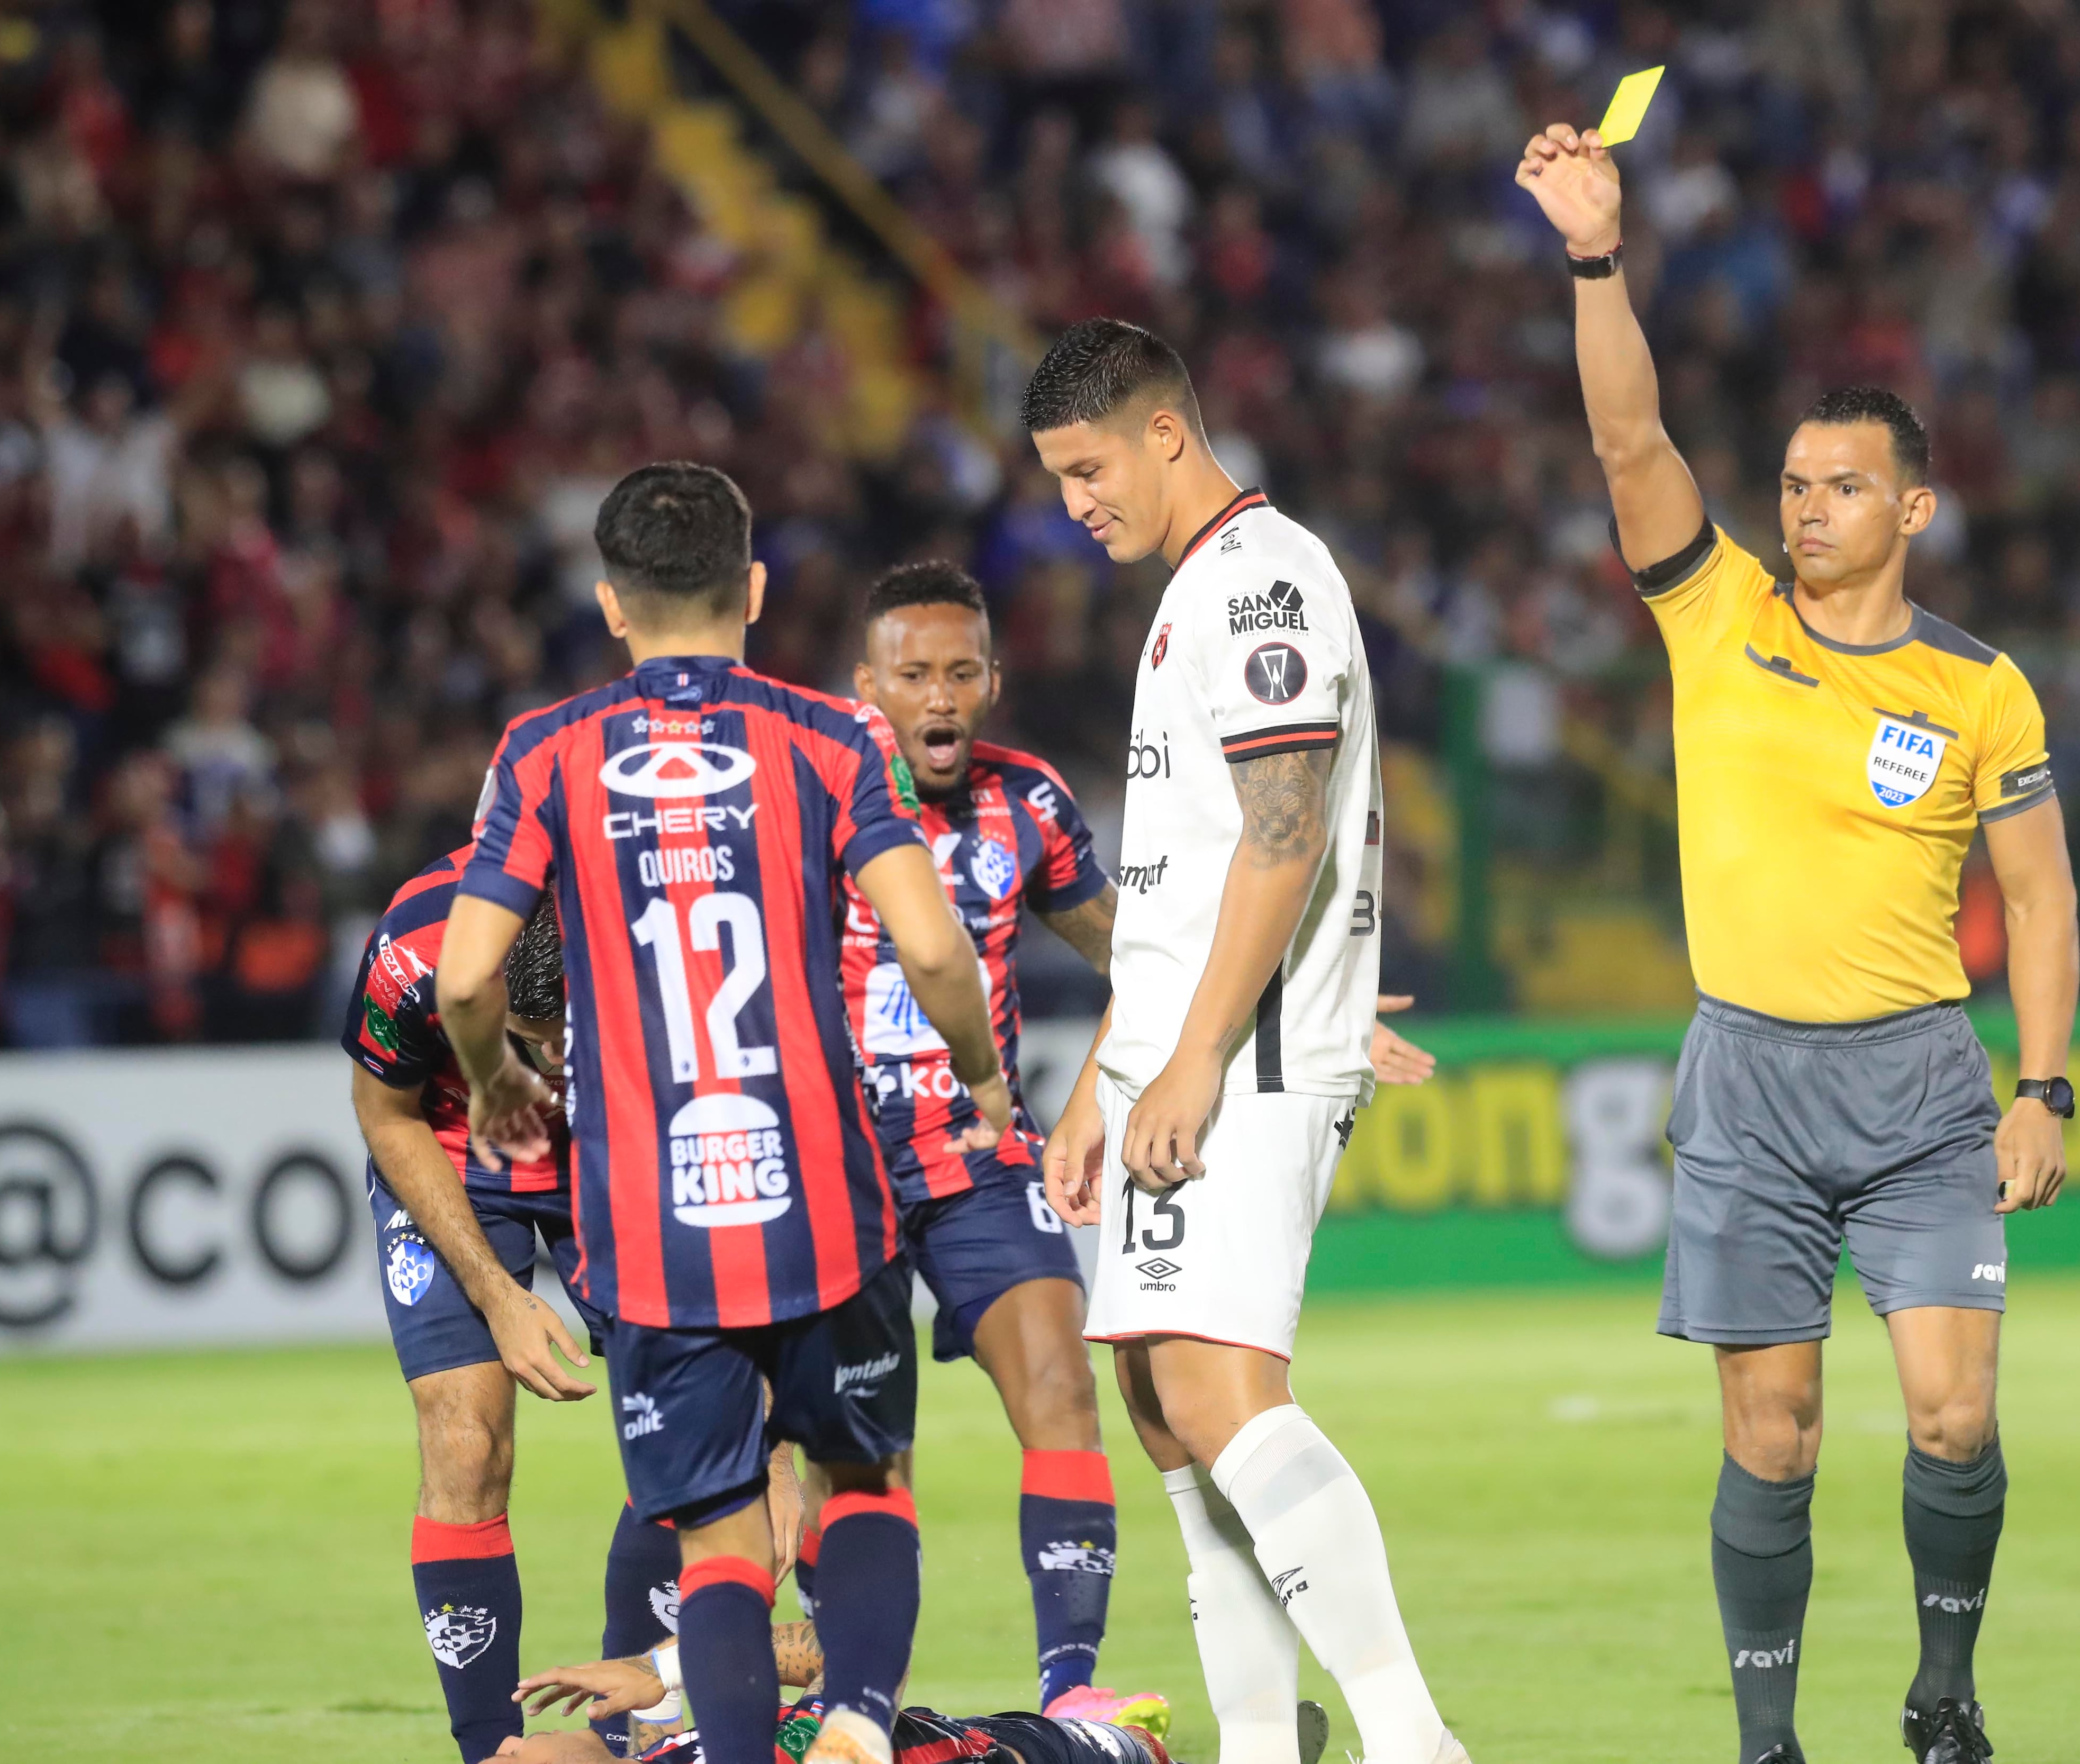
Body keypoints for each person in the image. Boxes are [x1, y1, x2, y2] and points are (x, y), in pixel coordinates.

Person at [1516, 124, 2080, 1764]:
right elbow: (1629, 438)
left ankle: (1945, 1692)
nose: (1809, 507)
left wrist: (2042, 1085)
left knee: (1953, 1411)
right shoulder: (1720, 612)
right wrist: (1596, 258)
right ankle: (1768, 1741)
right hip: (1749, 1084)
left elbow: (2044, 896)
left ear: (1914, 504)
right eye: (1793, 483)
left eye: (1842, 485)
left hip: (1921, 1086)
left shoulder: (1982, 686)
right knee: (1775, 1432)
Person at [433, 461, 1019, 1764]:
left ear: (610, 604)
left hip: (653, 1230)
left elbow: (466, 976)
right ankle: (858, 1714)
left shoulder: (544, 750)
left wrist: (493, 1076)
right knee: (859, 1482)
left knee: (716, 1543)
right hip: (824, 1205)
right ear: (752, 588)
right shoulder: (830, 737)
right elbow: (933, 949)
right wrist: (983, 1076)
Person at [824, 560, 1439, 1729]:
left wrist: (1305, 998)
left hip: (977, 1151)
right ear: (868, 686)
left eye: (961, 671)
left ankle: (1071, 1688)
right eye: (914, 674)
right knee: (851, 1447)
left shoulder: (1029, 803)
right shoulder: (816, 797)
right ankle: (847, 1702)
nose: (940, 695)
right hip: (836, 1165)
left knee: (1072, 1380)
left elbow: (1139, 953)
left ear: (994, 680)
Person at [1023, 318, 1468, 1764]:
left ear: (1165, 432)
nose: (1075, 504)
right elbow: (1188, 876)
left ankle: (1412, 1739)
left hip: (1250, 1054)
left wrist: (1198, 1054)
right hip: (1193, 1046)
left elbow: (1284, 840)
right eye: (1058, 478)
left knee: (1217, 1388)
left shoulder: (1261, 578)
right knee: (1164, 1408)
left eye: (1090, 469)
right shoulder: (1195, 589)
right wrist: (1110, 1073)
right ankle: (1264, 1744)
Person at [346, 865, 686, 1761]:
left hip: (619, 1161)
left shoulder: (666, 942)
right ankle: (493, 1753)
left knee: (685, 1431)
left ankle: (632, 1737)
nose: (555, 1066)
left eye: (573, 1040)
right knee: (463, 1442)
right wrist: (499, 1295)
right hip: (455, 1154)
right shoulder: (416, 947)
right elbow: (386, 1114)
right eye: (532, 1043)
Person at [494, 1622, 1208, 1764]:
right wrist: (670, 1668)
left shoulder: (653, 1753)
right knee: (1138, 1747)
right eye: (508, 1762)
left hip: (974, 1732)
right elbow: (862, 1650)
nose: (507, 1741)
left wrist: (657, 1675)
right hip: (1037, 1752)